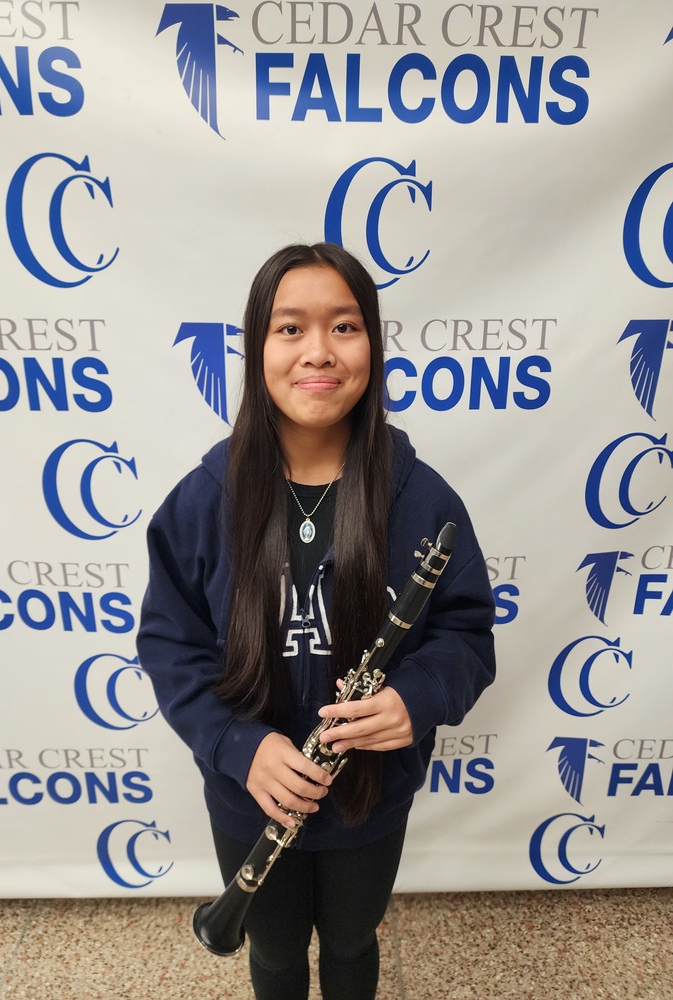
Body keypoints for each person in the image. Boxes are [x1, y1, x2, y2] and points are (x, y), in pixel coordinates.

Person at [136, 242, 496, 1000]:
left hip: (370, 792)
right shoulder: (204, 499)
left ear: (373, 342)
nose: (319, 353)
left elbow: (466, 636)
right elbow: (171, 644)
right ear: (255, 347)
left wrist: (416, 699)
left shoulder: (423, 500)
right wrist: (238, 745)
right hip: (250, 792)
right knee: (270, 953)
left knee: (353, 941)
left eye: (345, 326)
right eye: (290, 329)